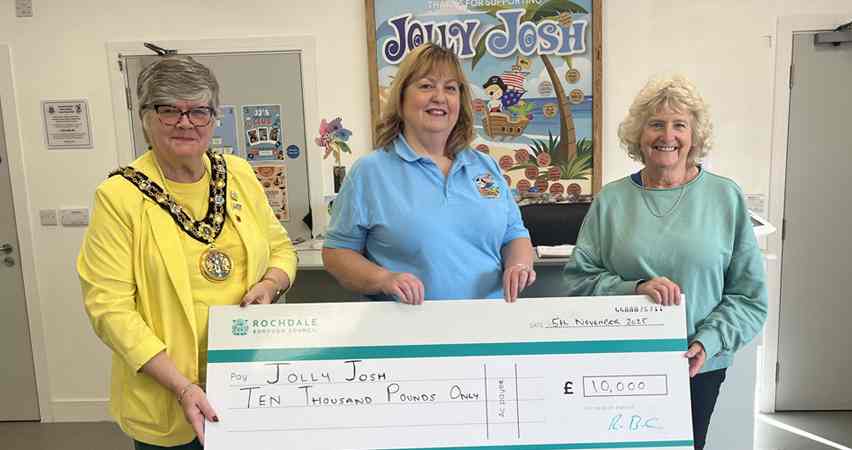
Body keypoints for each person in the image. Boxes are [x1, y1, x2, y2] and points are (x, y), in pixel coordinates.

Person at [77, 56, 296, 449]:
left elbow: (281, 249)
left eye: (198, 110)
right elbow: (109, 308)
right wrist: (181, 387)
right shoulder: (119, 196)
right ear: (144, 117)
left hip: (251, 385)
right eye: (168, 110)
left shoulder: (239, 174)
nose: (185, 122)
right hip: (170, 399)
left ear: (213, 118)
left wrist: (270, 284)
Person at [563, 76, 767, 449]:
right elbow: (578, 278)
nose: (667, 135)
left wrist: (708, 342)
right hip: (619, 363)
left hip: (697, 365)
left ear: (695, 135)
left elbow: (749, 297)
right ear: (639, 134)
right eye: (656, 124)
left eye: (679, 125)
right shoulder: (610, 201)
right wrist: (634, 289)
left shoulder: (725, 197)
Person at [323, 43, 535, 303]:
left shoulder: (485, 167)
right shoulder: (370, 172)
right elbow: (337, 252)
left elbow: (514, 234)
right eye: (426, 85)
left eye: (450, 88)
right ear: (401, 97)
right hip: (408, 330)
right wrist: (384, 279)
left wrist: (519, 266)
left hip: (487, 326)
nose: (439, 97)